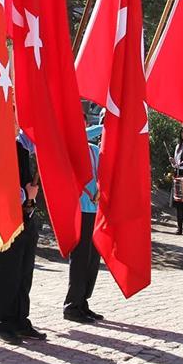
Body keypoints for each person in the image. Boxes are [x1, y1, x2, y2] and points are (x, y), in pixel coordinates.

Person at [0, 130, 46, 345]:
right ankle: (3, 324)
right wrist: (24, 195)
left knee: (24, 272)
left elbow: (36, 138)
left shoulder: (20, 143)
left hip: (26, 217)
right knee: (8, 272)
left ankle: (21, 321)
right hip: (2, 218)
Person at [63, 125, 104, 323]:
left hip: (96, 211)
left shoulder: (95, 150)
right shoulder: (73, 147)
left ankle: (83, 301)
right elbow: (78, 137)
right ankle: (72, 306)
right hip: (80, 210)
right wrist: (109, 124)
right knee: (79, 259)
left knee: (92, 260)